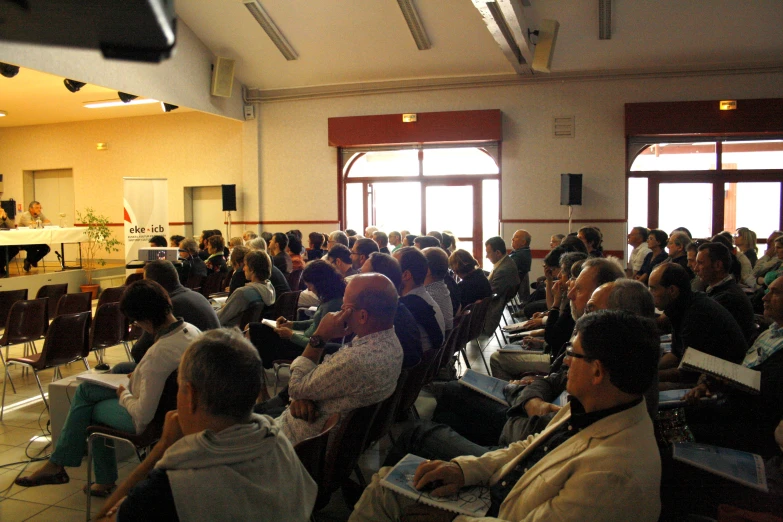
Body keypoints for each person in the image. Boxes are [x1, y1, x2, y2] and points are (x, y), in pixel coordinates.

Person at [350, 310, 662, 522]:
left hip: (500, 510)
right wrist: (463, 470)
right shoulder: (595, 408)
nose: (565, 362)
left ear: (596, 371)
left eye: (572, 353)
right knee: (385, 482)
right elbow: (527, 448)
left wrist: (455, 518)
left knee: (384, 495)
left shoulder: (614, 474)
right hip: (503, 494)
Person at [95, 328, 318, 522]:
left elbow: (101, 519)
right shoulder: (277, 443)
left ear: (190, 396)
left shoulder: (171, 489)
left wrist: (160, 450)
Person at [15, 280, 201, 495]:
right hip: (175, 407)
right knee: (86, 391)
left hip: (152, 420)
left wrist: (124, 394)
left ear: (145, 319)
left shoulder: (158, 353)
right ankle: (68, 469)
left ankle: (71, 469)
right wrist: (139, 375)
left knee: (90, 409)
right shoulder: (191, 331)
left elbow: (142, 416)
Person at [271, 273, 404, 446]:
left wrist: (319, 337)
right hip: (319, 432)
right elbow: (310, 390)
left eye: (345, 306)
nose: (340, 310)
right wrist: (302, 398)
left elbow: (295, 388)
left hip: (296, 445)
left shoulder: (356, 360)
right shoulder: (392, 344)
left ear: (362, 316)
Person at [650, 263, 748, 386]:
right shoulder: (681, 306)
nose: (650, 293)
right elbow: (676, 354)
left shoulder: (696, 315)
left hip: (721, 384)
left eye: (653, 288)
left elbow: (688, 373)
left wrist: (648, 376)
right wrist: (650, 369)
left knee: (644, 391)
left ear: (672, 290)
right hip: (700, 375)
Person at [253, 260, 345, 367]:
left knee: (256, 331)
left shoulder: (331, 305)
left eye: (310, 285)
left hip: (303, 348)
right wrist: (292, 324)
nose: (309, 289)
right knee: (257, 329)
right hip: (303, 339)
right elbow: (317, 321)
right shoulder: (332, 298)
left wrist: (291, 335)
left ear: (320, 283)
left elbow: (318, 345)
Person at [127, 260, 220, 365]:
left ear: (153, 285)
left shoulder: (168, 307)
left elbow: (139, 351)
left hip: (197, 369)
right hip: (213, 362)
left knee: (120, 368)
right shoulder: (197, 296)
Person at [694, 242, 755, 342]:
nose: (696, 269)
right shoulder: (721, 290)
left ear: (718, 265)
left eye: (700, 263)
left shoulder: (727, 298)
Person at [393, 246, 445, 352]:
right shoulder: (423, 297)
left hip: (418, 367)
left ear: (406, 275)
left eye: (392, 269)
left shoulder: (409, 306)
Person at [217, 250, 275, 327]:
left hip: (228, 333)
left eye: (245, 265)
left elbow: (219, 318)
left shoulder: (242, 293)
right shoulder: (270, 290)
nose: (243, 268)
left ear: (252, 269)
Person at [421, 247, 454, 332]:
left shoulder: (429, 296)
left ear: (427, 271)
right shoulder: (440, 286)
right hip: (446, 339)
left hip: (440, 342)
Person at [16, 200, 51, 272]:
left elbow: (49, 223)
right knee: (32, 247)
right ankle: (30, 261)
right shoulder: (25, 215)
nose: (39, 209)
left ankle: (29, 261)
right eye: (37, 208)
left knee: (46, 248)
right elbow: (31, 225)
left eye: (40, 208)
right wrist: (40, 223)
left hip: (34, 239)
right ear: (31, 209)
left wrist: (38, 223)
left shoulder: (39, 214)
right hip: (23, 240)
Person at [508, 229, 532, 300]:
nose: (512, 239)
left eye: (516, 237)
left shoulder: (520, 256)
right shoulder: (521, 253)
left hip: (511, 291)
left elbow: (505, 270)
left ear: (523, 242)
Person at [0, 207, 19, 276]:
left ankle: (1, 266)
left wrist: (5, 218)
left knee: (15, 248)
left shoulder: (4, 214)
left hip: (4, 240)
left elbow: (12, 227)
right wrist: (1, 219)